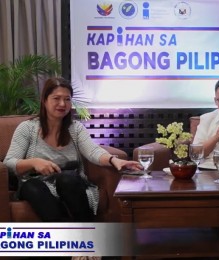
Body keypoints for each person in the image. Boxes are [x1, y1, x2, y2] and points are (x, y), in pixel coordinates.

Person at [3, 77, 142, 222]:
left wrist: (114, 160)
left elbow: (93, 151)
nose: (62, 104)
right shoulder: (27, 128)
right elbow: (9, 163)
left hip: (70, 185)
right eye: (56, 98)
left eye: (67, 99)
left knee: (66, 179)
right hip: (35, 184)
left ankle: (88, 232)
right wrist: (33, 162)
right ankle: (64, 236)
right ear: (44, 101)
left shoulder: (75, 128)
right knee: (32, 186)